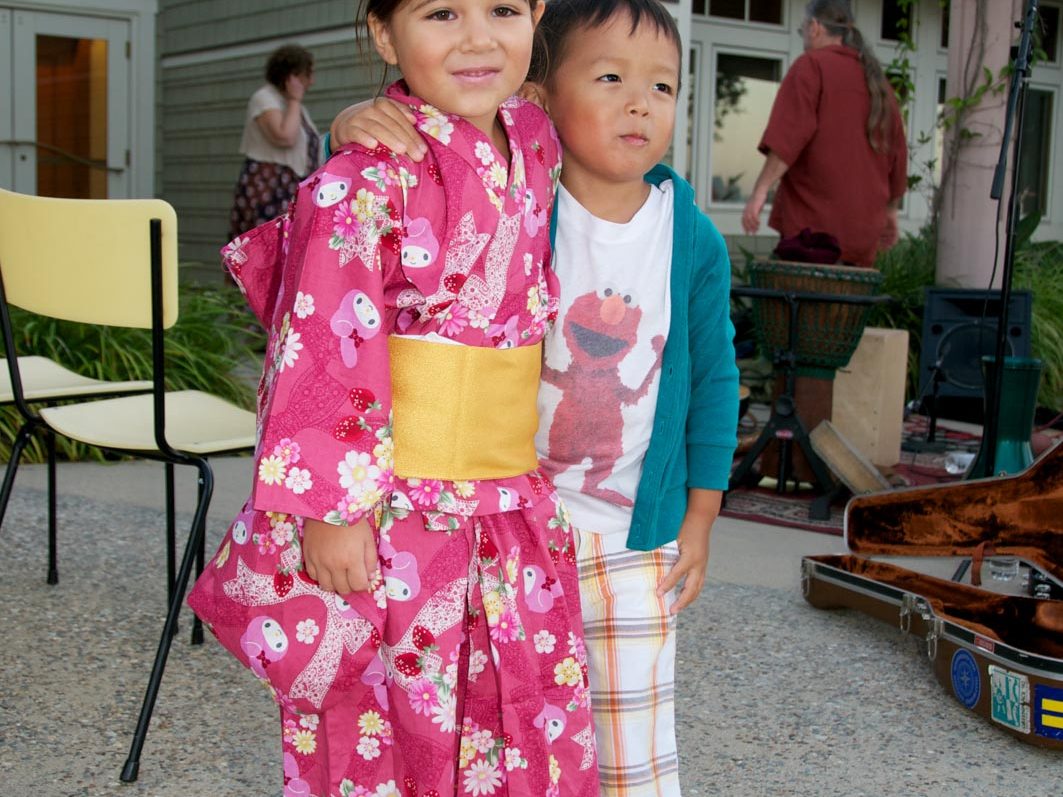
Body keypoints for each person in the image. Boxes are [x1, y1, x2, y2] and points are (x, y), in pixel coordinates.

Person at [189, 3, 599, 796]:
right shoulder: (360, 183)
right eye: (441, 12)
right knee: (395, 720)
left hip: (508, 500)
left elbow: (607, 107)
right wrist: (330, 511)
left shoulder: (533, 136)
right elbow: (319, 338)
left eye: (503, 9)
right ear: (384, 33)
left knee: (516, 708)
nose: (477, 37)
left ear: (538, 13)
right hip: (394, 513)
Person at [329, 1, 739, 794]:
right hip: (513, 530)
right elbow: (413, 168)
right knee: (521, 737)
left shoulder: (692, 238)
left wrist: (700, 513)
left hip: (633, 534)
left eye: (661, 86)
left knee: (632, 745)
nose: (639, 103)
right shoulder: (517, 192)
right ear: (540, 99)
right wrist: (349, 122)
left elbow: (715, 378)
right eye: (610, 78)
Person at [741, 0, 908, 267]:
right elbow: (897, 157)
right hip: (863, 238)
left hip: (813, 239)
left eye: (803, 30)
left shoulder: (811, 66)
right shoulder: (878, 82)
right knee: (849, 296)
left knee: (797, 294)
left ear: (815, 27)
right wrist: (891, 213)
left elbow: (789, 138)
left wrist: (760, 192)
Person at [229, 44, 320, 241]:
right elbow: (285, 136)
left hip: (290, 186)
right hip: (269, 185)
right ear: (291, 76)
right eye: (307, 74)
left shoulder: (294, 106)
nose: (311, 81)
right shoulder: (265, 99)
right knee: (266, 244)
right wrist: (295, 100)